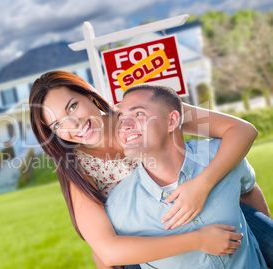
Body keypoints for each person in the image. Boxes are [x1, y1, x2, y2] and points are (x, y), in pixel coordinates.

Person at [29, 71, 266, 266]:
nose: (73, 124)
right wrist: (197, 240)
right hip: (153, 244)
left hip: (212, 210)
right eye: (58, 124)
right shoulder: (77, 169)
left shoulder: (140, 110)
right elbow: (108, 250)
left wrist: (203, 184)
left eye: (72, 107)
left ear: (89, 97)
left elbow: (242, 131)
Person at [105, 83, 268, 268]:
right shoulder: (118, 206)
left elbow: (249, 190)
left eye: (138, 114)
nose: (124, 126)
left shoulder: (221, 155)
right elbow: (107, 256)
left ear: (172, 121)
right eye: (121, 118)